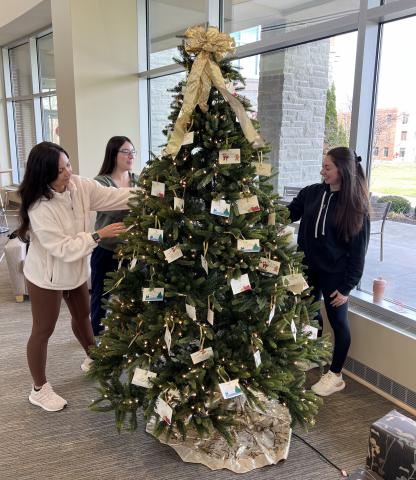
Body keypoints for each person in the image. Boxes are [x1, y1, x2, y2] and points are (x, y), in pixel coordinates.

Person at [17, 141, 136, 412]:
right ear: (44, 174)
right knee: (43, 330)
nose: (68, 173)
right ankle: (39, 388)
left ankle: (94, 359)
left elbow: (114, 196)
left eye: (68, 165)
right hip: (46, 276)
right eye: (60, 170)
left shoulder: (79, 186)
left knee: (83, 316)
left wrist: (152, 194)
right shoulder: (39, 207)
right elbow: (62, 248)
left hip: (75, 270)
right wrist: (98, 235)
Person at [287, 146, 370, 397]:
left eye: (327, 167)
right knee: (309, 313)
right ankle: (313, 353)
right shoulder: (312, 193)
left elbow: (358, 253)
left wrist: (346, 287)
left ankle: (335, 375)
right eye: (323, 166)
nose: (322, 171)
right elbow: (289, 213)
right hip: (307, 268)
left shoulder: (356, 207)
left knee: (338, 323)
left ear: (342, 171)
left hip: (336, 275)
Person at [90, 136, 138, 337]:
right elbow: (113, 209)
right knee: (101, 296)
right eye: (125, 151)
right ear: (113, 154)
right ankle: (95, 334)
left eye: (132, 151)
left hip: (132, 250)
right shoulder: (101, 182)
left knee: (131, 296)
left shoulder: (136, 180)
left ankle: (128, 334)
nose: (131, 155)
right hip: (106, 249)